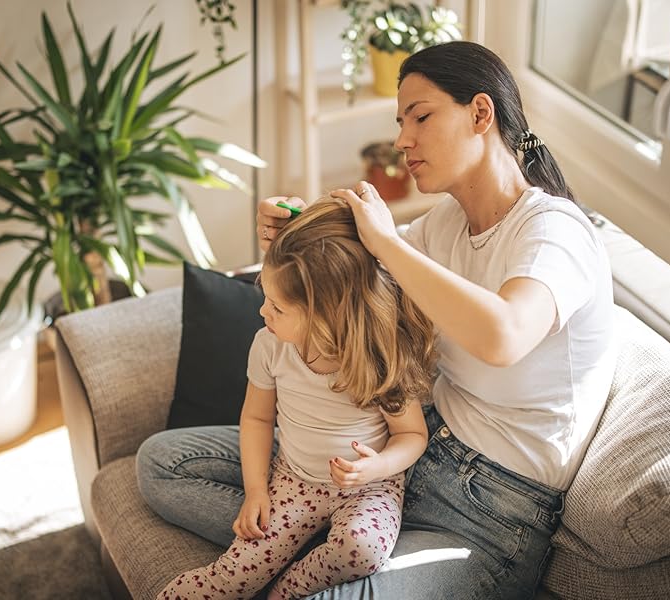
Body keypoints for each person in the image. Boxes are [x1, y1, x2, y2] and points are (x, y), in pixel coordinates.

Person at [138, 41, 616, 599]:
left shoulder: (554, 231)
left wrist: (387, 242)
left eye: (421, 116)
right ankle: (298, 530)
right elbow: (344, 278)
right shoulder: (446, 224)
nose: (402, 139)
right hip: (390, 458)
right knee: (162, 463)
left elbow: (503, 335)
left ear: (480, 114)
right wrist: (291, 234)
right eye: (400, 121)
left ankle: (310, 542)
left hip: (486, 508)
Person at [157, 199, 437, 600]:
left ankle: (288, 589)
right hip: (294, 480)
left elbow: (412, 434)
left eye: (277, 307)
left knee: (363, 548)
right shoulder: (270, 346)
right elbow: (255, 419)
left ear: (327, 315)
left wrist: (379, 467)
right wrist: (256, 490)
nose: (262, 311)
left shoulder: (378, 353)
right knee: (231, 577)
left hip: (369, 488)